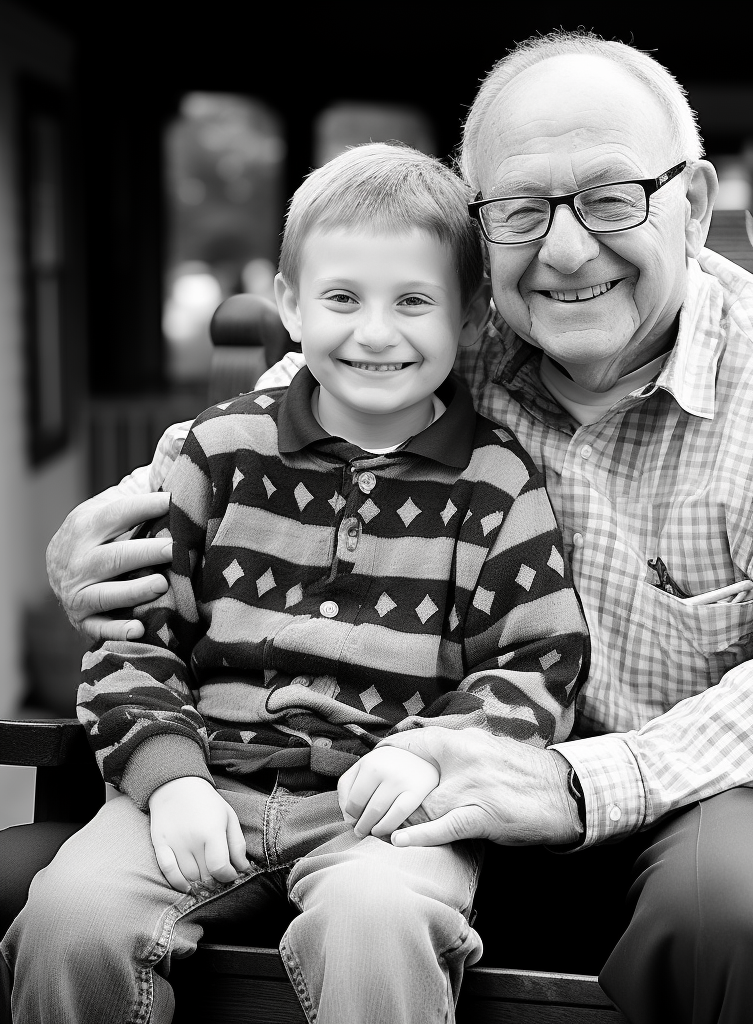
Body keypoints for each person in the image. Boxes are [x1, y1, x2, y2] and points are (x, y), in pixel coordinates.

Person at [40, 30, 753, 1024]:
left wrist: (578, 783)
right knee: (61, 892)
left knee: (731, 910)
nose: (567, 248)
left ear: (694, 202)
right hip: (423, 800)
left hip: (704, 801)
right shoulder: (448, 330)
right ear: (474, 228)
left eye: (610, 195)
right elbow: (274, 418)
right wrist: (101, 542)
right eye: (521, 208)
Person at [4, 143, 589, 1024]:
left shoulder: (497, 488)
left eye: (415, 302)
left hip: (385, 808)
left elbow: (539, 665)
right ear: (289, 303)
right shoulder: (216, 456)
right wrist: (170, 781)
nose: (376, 332)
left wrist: (426, 755)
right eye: (343, 298)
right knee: (71, 917)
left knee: (379, 923)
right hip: (205, 785)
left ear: (471, 320)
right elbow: (133, 637)